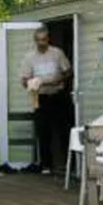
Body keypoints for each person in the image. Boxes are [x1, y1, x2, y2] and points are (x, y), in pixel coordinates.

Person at [19, 26, 72, 175]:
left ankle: (67, 164)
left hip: (57, 95)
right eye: (38, 40)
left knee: (63, 129)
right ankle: (46, 165)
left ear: (48, 39)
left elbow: (68, 71)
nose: (41, 43)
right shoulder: (30, 57)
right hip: (40, 96)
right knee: (43, 131)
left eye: (44, 39)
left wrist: (59, 79)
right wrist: (32, 83)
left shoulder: (57, 53)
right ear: (35, 41)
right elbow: (23, 79)